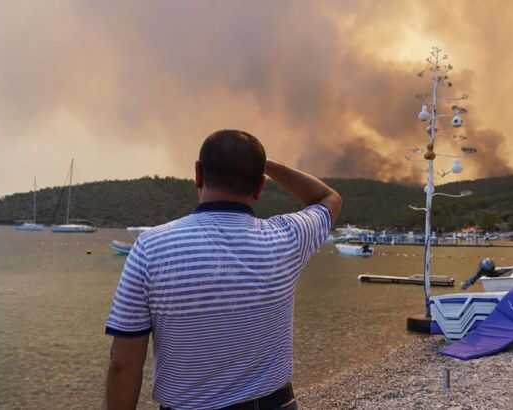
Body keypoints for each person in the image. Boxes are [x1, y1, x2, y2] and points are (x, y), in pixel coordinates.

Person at [104, 129, 341, 410]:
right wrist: (264, 166)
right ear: (259, 186)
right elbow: (328, 198)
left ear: (198, 174)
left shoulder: (151, 247)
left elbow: (124, 364)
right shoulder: (287, 237)